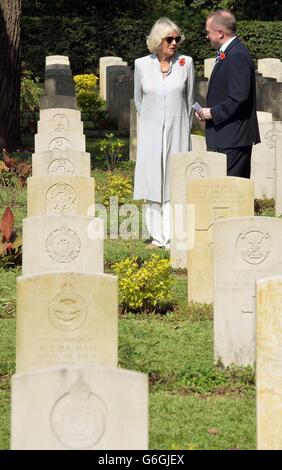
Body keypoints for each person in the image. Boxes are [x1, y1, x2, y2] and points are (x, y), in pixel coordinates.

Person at [133, 17, 194, 248]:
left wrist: (182, 126)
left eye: (177, 38)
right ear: (158, 40)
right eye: (170, 38)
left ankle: (172, 235)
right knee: (152, 179)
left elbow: (189, 100)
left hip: (178, 129)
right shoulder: (141, 64)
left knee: (173, 179)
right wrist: (150, 120)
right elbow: (138, 100)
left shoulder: (185, 63)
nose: (175, 42)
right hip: (150, 130)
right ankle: (157, 236)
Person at [195, 10, 260, 178]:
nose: (207, 37)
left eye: (208, 32)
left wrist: (213, 113)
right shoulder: (230, 52)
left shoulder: (237, 54)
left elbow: (239, 97)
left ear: (220, 33)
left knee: (229, 193)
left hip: (234, 137)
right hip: (227, 135)